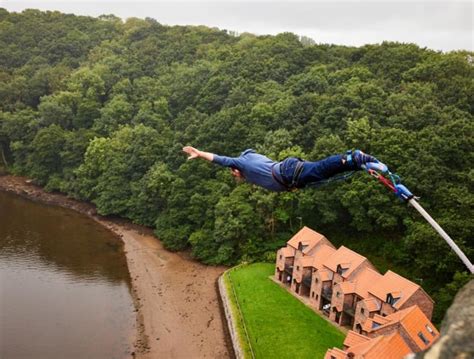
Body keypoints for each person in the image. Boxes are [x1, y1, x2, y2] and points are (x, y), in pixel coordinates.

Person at [182, 146, 387, 192]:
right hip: (289, 173)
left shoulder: (242, 163)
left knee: (321, 168)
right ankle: (357, 163)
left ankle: (355, 157)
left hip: (288, 173)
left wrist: (199, 154)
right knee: (325, 172)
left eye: (234, 171)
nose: (234, 174)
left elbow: (221, 159)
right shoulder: (253, 163)